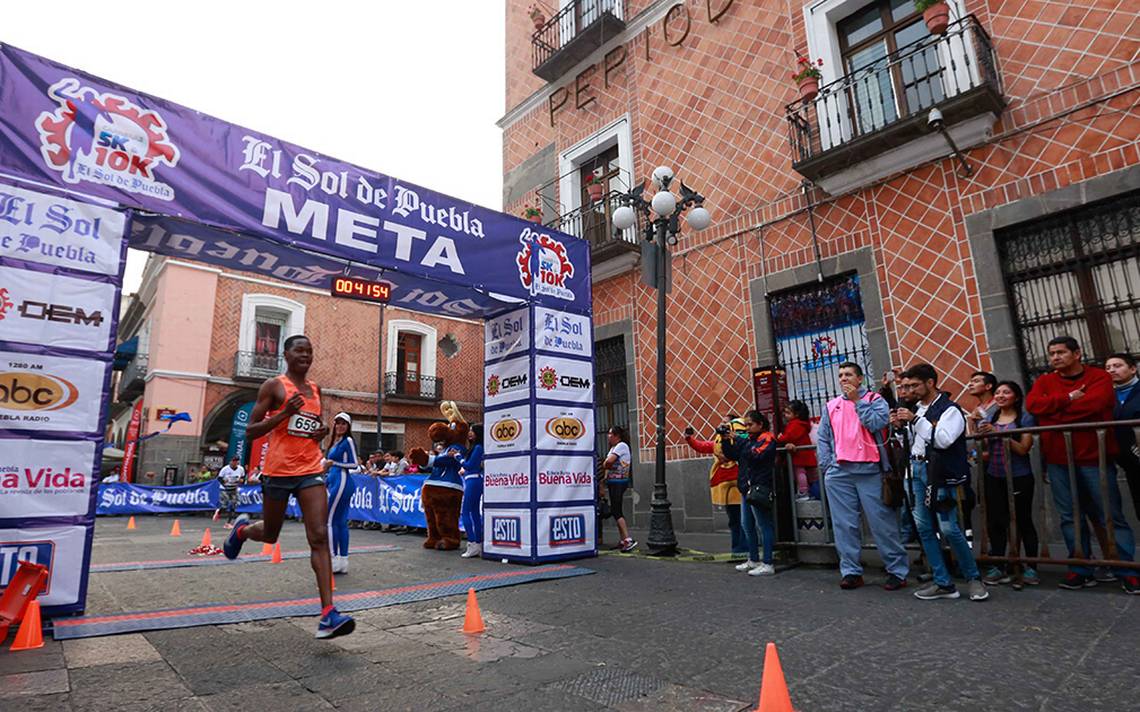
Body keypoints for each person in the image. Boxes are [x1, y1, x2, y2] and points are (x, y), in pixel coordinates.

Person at [222, 335, 355, 638]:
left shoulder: (316, 390)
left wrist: (319, 434)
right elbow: (251, 432)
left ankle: (328, 614)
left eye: (309, 351)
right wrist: (283, 413)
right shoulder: (274, 386)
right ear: (286, 354)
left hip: (310, 469)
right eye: (299, 350)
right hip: (278, 471)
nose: (305, 355)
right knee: (270, 533)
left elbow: (309, 429)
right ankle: (242, 530)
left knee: (319, 535)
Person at [1026, 336, 1138, 594]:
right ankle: (1080, 567)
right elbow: (1033, 406)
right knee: (1069, 516)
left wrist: (1053, 413)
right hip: (1057, 459)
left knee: (1110, 513)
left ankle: (1127, 570)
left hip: (1094, 457)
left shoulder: (1098, 377)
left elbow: (1096, 404)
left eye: (1061, 352)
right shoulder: (1044, 381)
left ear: (1077, 353)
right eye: (1051, 353)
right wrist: (1068, 399)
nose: (1054, 357)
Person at [893, 364, 988, 601]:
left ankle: (973, 578)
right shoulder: (914, 409)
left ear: (930, 383)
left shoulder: (950, 410)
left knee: (948, 527)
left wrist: (915, 420)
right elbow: (913, 441)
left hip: (940, 474)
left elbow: (943, 440)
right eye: (908, 386)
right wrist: (899, 428)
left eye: (915, 385)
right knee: (925, 529)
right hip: (915, 471)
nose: (910, 390)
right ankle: (943, 582)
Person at [816, 361, 909, 590]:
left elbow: (877, 423)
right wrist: (827, 465)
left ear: (860, 379)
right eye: (840, 375)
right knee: (844, 525)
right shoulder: (831, 406)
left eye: (848, 374)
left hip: (870, 470)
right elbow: (823, 437)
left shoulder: (876, 401)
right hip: (839, 473)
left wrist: (858, 401)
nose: (843, 379)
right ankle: (850, 571)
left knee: (882, 523)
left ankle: (897, 571)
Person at [977, 381, 1040, 586]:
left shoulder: (1025, 418)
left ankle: (1031, 566)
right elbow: (986, 446)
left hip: (1019, 475)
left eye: (1006, 392)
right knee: (997, 521)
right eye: (997, 392)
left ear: (1016, 396)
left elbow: (1023, 448)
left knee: (1023, 520)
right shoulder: (991, 417)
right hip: (995, 475)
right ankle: (999, 564)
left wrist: (999, 433)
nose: (1001, 395)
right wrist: (982, 431)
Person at [721, 411, 779, 576]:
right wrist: (726, 441)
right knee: (746, 525)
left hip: (759, 487)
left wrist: (739, 439)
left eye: (750, 425)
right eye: (745, 425)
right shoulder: (748, 440)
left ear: (760, 424)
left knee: (764, 525)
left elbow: (755, 454)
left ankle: (767, 563)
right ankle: (753, 559)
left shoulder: (767, 438)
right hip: (746, 488)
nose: (747, 428)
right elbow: (732, 454)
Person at [683, 415, 748, 559]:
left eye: (726, 422)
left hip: (739, 482)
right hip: (725, 484)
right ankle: (738, 549)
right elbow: (702, 446)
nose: (722, 424)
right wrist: (689, 438)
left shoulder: (739, 439)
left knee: (742, 520)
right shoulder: (718, 441)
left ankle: (744, 549)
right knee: (734, 520)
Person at [323, 412, 359, 574]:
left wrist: (333, 463)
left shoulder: (348, 440)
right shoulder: (335, 442)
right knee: (339, 521)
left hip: (343, 482)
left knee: (329, 521)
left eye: (343, 423)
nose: (340, 426)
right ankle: (341, 561)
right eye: (338, 423)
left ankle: (332, 559)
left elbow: (355, 464)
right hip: (336, 482)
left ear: (348, 426)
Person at [1105, 353, 1140, 520]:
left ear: (1133, 369)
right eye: (1108, 368)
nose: (1112, 370)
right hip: (1129, 461)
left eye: (1117, 366)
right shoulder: (1107, 397)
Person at [599, 426, 637, 553]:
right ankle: (622, 540)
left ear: (617, 436)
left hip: (619, 482)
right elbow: (607, 466)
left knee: (616, 510)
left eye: (610, 434)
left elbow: (608, 463)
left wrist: (606, 464)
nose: (608, 436)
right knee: (617, 510)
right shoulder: (613, 448)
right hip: (613, 482)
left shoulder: (621, 446)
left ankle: (627, 539)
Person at [778, 401, 818, 500]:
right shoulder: (803, 424)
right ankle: (812, 492)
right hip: (806, 454)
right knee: (811, 476)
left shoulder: (795, 424)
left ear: (796, 414)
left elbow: (790, 436)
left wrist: (780, 438)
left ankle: (803, 492)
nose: (785, 415)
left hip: (799, 454)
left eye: (788, 413)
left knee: (800, 473)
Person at [459, 424, 485, 558]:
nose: (469, 433)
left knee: (466, 512)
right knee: (474, 512)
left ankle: (472, 542)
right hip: (474, 479)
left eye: (472, 431)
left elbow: (469, 465)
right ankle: (477, 543)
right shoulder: (476, 447)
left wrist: (459, 458)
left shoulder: (478, 447)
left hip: (473, 480)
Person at [216, 456, 246, 528]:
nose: (234, 463)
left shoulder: (241, 469)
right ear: (230, 461)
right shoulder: (225, 469)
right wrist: (224, 482)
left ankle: (228, 523)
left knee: (233, 505)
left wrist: (241, 481)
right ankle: (219, 511)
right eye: (233, 461)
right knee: (225, 505)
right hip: (224, 489)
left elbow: (243, 478)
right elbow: (219, 478)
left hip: (234, 488)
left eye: (236, 461)